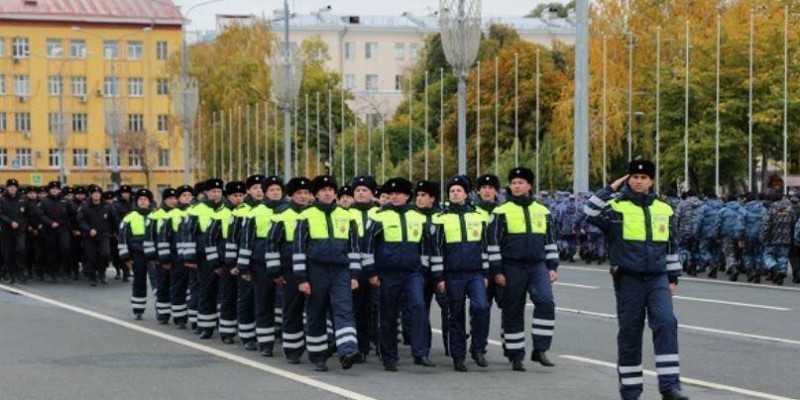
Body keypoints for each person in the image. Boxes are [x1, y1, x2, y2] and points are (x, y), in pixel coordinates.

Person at [583, 160, 687, 400]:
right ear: (628, 180)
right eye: (634, 176)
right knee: (630, 332)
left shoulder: (664, 209)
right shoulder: (615, 208)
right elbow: (589, 212)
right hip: (628, 279)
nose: (639, 181)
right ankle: (630, 390)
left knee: (666, 323)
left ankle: (670, 386)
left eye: (643, 177)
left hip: (658, 278)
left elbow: (671, 245)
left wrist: (673, 278)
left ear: (651, 181)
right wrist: (610, 187)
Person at [489, 167, 559, 371]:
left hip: (537, 266)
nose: (517, 186)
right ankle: (515, 354)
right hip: (512, 266)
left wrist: (552, 266)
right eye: (514, 183)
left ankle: (541, 348)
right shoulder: (500, 212)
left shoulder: (543, 211)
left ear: (529, 186)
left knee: (546, 302)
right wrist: (497, 271)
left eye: (521, 182)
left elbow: (550, 241)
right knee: (513, 310)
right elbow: (493, 244)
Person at [363, 177, 435, 371]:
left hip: (413, 273)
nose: (395, 196)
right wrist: (371, 272)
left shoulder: (418, 217)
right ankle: (389, 357)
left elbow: (426, 246)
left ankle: (420, 353)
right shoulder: (378, 217)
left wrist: (424, 270)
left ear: (406, 196)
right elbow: (367, 247)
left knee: (419, 307)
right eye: (392, 193)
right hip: (387, 274)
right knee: (388, 314)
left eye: (399, 193)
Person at [292, 175, 361, 372]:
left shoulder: (347, 216)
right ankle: (318, 356)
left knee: (344, 310)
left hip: (341, 271)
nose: (328, 192)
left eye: (331, 189)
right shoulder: (305, 216)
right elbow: (298, 249)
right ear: (316, 194)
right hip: (316, 270)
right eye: (323, 190)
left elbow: (354, 248)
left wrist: (355, 275)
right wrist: (302, 279)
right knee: (316, 312)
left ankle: (348, 351)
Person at [430, 175, 491, 372]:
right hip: (452, 274)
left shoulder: (479, 215)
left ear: (466, 193)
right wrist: (439, 277)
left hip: (475, 273)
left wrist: (486, 273)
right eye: (452, 191)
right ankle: (458, 356)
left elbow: (485, 246)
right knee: (455, 315)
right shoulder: (440, 218)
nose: (455, 193)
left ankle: (478, 348)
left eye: (459, 190)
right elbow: (437, 249)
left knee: (482, 307)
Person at [267, 177, 312, 363]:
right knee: (292, 309)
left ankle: (316, 347)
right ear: (291, 195)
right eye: (299, 193)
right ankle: (292, 349)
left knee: (314, 310)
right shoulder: (281, 214)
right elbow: (272, 244)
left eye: (306, 193)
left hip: (313, 269)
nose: (303, 196)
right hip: (290, 270)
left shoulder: (314, 213)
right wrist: (275, 271)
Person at [119, 189, 155, 320]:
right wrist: (126, 257)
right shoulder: (129, 217)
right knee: (139, 281)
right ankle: (138, 309)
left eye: (145, 199)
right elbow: (122, 238)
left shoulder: (155, 215)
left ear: (149, 202)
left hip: (153, 255)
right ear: (137, 201)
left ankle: (162, 309)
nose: (143, 201)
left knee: (157, 282)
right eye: (141, 199)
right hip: (137, 254)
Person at [76, 185, 113, 286]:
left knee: (105, 254)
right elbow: (80, 220)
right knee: (91, 257)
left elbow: (114, 219)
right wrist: (88, 229)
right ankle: (92, 276)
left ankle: (102, 272)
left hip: (104, 235)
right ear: (91, 195)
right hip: (90, 236)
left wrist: (115, 231)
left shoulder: (107, 206)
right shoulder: (85, 206)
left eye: (98, 193)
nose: (96, 195)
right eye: (94, 193)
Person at [0, 179, 28, 284]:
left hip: (20, 230)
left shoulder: (22, 199)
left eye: (14, 187)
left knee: (21, 248)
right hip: (7, 230)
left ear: (17, 188)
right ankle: (8, 271)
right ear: (7, 188)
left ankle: (20, 270)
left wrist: (26, 225)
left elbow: (29, 213)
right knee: (7, 252)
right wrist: (10, 222)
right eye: (10, 187)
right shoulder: (2, 199)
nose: (13, 188)